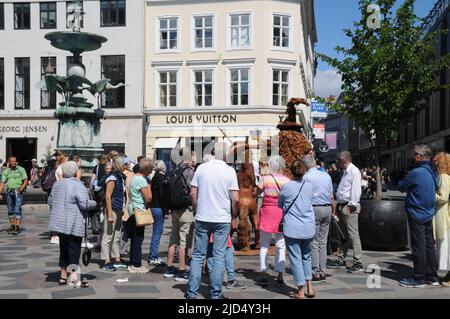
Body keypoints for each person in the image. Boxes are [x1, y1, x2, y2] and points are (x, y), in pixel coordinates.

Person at [185, 142, 240, 299]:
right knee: (219, 255)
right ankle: (216, 293)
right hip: (222, 218)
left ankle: (192, 292)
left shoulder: (201, 168)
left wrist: (197, 209)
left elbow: (193, 193)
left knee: (197, 255)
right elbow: (235, 199)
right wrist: (233, 215)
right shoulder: (230, 171)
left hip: (203, 216)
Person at [48, 161, 97, 287]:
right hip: (74, 222)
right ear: (76, 172)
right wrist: (95, 203)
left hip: (60, 222)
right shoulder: (78, 185)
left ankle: (63, 276)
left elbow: (51, 201)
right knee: (74, 249)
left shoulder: (57, 185)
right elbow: (84, 204)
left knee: (63, 248)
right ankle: (74, 277)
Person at [397, 145, 439, 288]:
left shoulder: (416, 172)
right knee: (429, 245)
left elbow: (401, 186)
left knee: (419, 246)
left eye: (414, 154)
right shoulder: (432, 171)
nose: (413, 156)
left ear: (420, 156)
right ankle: (432, 276)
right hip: (428, 212)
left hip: (417, 212)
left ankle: (419, 278)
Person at [278, 160, 315, 299]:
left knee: (295, 259)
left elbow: (280, 204)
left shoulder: (286, 187)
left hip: (292, 228)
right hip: (308, 226)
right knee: (307, 257)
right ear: (304, 171)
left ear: (291, 172)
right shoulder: (310, 186)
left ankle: (300, 291)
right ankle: (310, 287)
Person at [255, 155, 290, 287]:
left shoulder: (265, 179)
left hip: (267, 212)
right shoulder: (287, 180)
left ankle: (263, 273)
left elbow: (256, 192)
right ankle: (280, 275)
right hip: (281, 213)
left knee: (264, 245)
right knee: (281, 245)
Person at [164, 147, 196, 282]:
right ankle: (182, 270)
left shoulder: (175, 169)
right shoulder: (189, 171)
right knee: (184, 241)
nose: (195, 161)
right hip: (186, 209)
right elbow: (192, 190)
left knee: (173, 238)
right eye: (194, 158)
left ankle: (169, 268)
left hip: (175, 208)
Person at [303, 155, 336, 283]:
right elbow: (331, 196)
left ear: (305, 165)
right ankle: (323, 270)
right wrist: (333, 211)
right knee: (323, 241)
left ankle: (315, 271)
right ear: (315, 162)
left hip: (314, 209)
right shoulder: (326, 175)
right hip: (327, 208)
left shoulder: (306, 177)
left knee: (314, 241)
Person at [333, 151, 363, 273]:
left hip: (349, 206)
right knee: (343, 234)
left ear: (343, 160)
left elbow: (356, 190)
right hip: (343, 206)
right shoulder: (346, 171)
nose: (337, 163)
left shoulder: (353, 171)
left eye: (339, 161)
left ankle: (358, 261)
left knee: (353, 234)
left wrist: (351, 205)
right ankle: (342, 257)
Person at [126, 158, 153, 273]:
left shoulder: (134, 177)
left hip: (132, 210)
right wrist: (149, 185)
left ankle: (132, 262)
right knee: (138, 238)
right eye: (151, 168)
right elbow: (149, 198)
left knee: (134, 238)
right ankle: (136, 264)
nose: (152, 170)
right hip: (139, 211)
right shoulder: (142, 180)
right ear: (147, 169)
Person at [100, 156, 128, 272]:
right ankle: (106, 260)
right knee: (108, 235)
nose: (126, 167)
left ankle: (116, 258)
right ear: (119, 166)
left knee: (116, 235)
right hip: (113, 209)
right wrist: (110, 214)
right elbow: (108, 196)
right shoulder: (112, 177)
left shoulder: (120, 177)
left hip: (119, 209)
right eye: (124, 165)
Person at [433, 152, 450, 287]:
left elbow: (443, 197)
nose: (435, 164)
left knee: (445, 244)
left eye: (437, 162)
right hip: (444, 213)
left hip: (443, 214)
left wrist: (431, 195)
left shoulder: (443, 177)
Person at [0, 157, 29, 235]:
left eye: (15, 161)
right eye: (12, 161)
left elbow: (25, 180)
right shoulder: (6, 171)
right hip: (9, 191)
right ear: (9, 162)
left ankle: (17, 227)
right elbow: (2, 182)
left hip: (18, 191)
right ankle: (12, 226)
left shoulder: (21, 169)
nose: (14, 163)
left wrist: (21, 188)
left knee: (17, 209)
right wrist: (0, 192)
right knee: (10, 210)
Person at [148, 160, 167, 266]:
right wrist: (166, 209)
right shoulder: (160, 178)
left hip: (155, 207)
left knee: (156, 232)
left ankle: (153, 255)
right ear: (163, 168)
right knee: (157, 232)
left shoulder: (155, 177)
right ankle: (153, 256)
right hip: (158, 207)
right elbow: (162, 195)